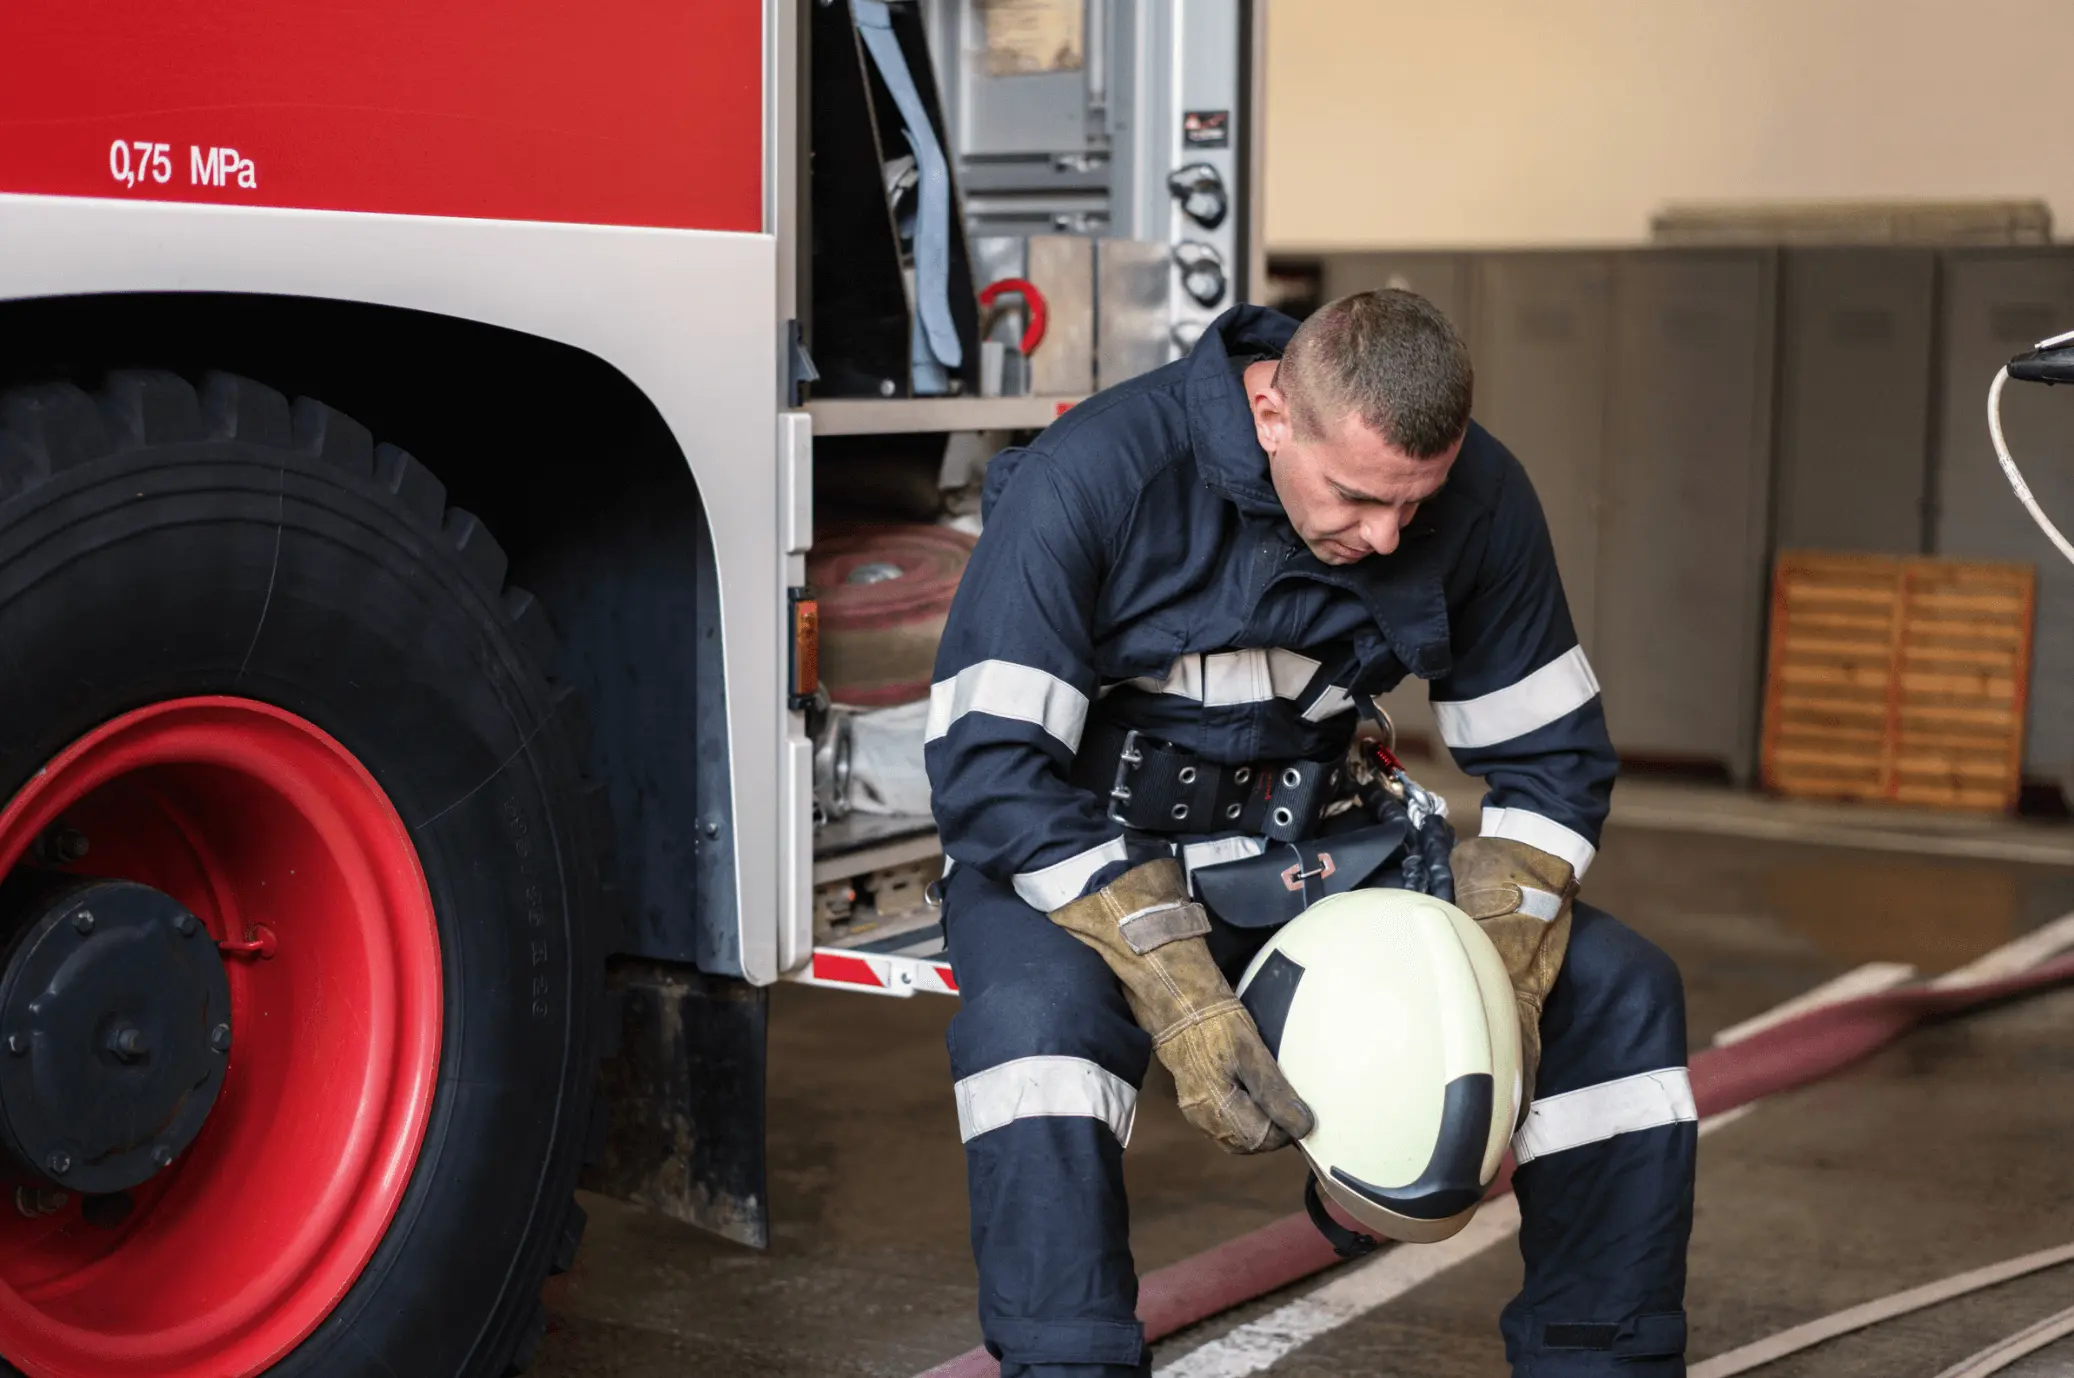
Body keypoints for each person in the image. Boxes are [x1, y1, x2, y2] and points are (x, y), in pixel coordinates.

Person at [923, 292, 1695, 1378]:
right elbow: (987, 770)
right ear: (1272, 410)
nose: (1384, 536)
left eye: (1411, 506)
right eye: (1357, 497)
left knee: (1615, 987)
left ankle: (1601, 1359)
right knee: (1035, 1030)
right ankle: (1068, 1364)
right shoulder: (1093, 473)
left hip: (1320, 849)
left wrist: (1507, 976)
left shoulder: (1479, 498)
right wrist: (1178, 989)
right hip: (1084, 857)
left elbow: (1551, 763)